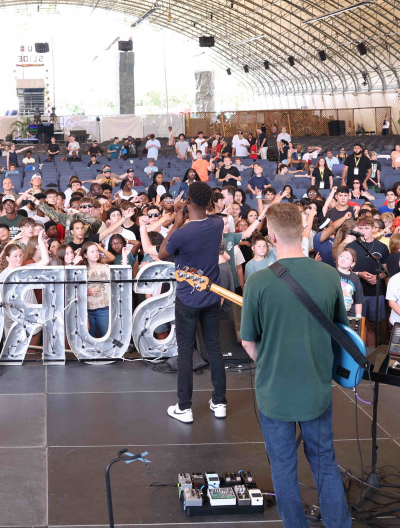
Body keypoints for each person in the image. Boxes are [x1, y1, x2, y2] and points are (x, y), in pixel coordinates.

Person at [239, 203, 352, 528]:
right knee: (324, 461)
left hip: (275, 391)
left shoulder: (257, 282)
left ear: (272, 236)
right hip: (317, 386)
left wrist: (271, 363)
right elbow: (341, 331)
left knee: (283, 466)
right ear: (303, 230)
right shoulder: (329, 275)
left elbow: (248, 342)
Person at [149, 182, 227, 424]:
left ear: (189, 202)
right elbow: (209, 214)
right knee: (213, 348)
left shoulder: (181, 233)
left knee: (185, 352)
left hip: (187, 299)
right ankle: (220, 402)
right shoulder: (218, 223)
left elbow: (162, 253)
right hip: (211, 296)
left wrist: (176, 221)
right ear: (209, 202)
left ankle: (184, 407)